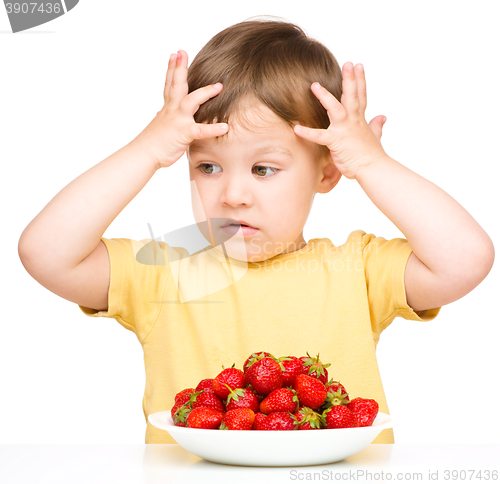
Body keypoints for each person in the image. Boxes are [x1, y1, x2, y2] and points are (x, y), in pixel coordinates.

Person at [18, 19, 494, 444]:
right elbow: (45, 252)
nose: (232, 195)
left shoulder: (357, 269)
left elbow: (466, 259)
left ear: (327, 173)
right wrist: (146, 150)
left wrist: (372, 163)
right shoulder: (164, 271)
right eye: (208, 166)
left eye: (263, 169)